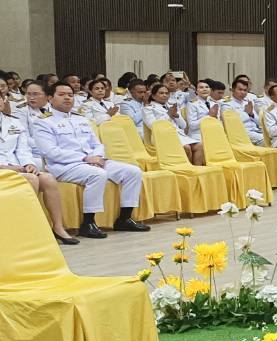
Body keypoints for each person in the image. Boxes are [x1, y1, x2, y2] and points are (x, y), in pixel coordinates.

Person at [32, 81, 150, 238]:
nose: (67, 98)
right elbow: (51, 152)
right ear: (49, 98)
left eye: (70, 95)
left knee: (132, 171)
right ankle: (88, 223)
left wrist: (98, 156)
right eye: (61, 95)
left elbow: (96, 143)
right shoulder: (43, 121)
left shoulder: (80, 119)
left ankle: (124, 218)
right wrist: (86, 158)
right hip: (65, 166)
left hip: (93, 161)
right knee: (97, 174)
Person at [0, 99, 77, 244]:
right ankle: (28, 230)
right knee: (31, 179)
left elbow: (23, 149)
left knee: (47, 179)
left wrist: (28, 163)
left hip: (17, 168)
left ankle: (58, 228)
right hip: (3, 169)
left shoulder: (13, 122)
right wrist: (5, 167)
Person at [142, 81, 202, 163]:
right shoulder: (148, 109)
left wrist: (176, 116)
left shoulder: (172, 106)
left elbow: (184, 126)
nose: (164, 95)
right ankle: (188, 170)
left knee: (199, 146)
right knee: (186, 148)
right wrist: (168, 115)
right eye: (161, 93)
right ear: (153, 96)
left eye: (167, 93)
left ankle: (196, 170)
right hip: (162, 136)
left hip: (179, 135)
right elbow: (153, 126)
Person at [225, 75, 264, 143]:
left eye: (245, 90)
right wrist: (246, 113)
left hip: (257, 131)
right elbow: (230, 123)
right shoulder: (227, 104)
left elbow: (260, 123)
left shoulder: (248, 103)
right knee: (272, 141)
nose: (243, 92)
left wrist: (251, 114)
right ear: (233, 90)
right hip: (243, 133)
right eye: (240, 89)